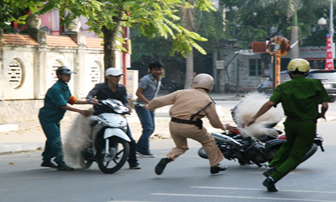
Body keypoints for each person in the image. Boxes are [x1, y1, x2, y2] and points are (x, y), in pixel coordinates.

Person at [242, 58, 330, 192]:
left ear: (290, 72)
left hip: (290, 123)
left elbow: (270, 103)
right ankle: (273, 178)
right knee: (296, 156)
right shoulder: (315, 84)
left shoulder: (283, 87)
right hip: (307, 125)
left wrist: (254, 118)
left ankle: (274, 165)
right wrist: (322, 113)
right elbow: (324, 104)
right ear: (306, 72)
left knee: (288, 144)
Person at [144, 73, 235, 175]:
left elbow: (160, 101)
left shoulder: (181, 93)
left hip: (173, 125)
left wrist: (148, 106)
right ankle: (214, 165)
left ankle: (167, 158)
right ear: (210, 86)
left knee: (181, 147)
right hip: (191, 126)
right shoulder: (208, 100)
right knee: (208, 141)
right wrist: (224, 126)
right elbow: (214, 122)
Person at [39, 66, 92, 171]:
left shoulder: (64, 87)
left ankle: (46, 160)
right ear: (59, 76)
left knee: (52, 139)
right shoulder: (55, 89)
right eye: (67, 75)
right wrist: (80, 111)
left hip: (55, 118)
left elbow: (72, 100)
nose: (69, 77)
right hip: (47, 118)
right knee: (56, 140)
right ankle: (60, 162)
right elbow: (63, 105)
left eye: (69, 75)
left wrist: (89, 101)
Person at [86, 67, 140, 169]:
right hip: (101, 114)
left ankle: (133, 162)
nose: (118, 78)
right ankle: (90, 148)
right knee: (91, 130)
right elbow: (90, 95)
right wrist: (92, 99)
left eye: (119, 76)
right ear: (108, 77)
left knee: (130, 140)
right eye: (115, 76)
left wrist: (127, 107)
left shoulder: (121, 88)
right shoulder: (100, 87)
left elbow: (124, 101)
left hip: (117, 115)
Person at [134, 61, 164, 158]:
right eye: (155, 69)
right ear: (150, 70)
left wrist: (153, 104)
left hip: (150, 106)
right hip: (141, 106)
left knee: (151, 129)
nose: (158, 71)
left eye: (160, 69)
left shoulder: (159, 79)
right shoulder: (146, 79)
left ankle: (137, 148)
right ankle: (144, 150)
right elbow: (138, 93)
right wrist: (148, 103)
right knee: (148, 128)